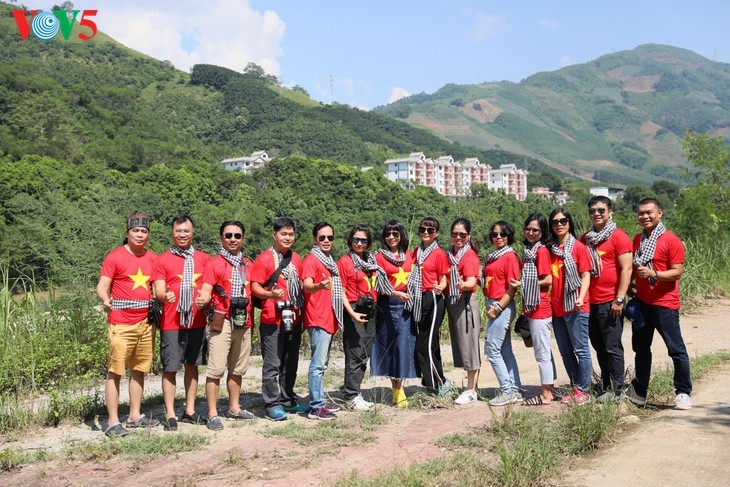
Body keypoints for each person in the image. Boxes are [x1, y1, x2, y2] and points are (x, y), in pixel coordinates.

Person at [96, 213, 160, 437]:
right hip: (121, 322)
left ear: (148, 234)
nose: (140, 235)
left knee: (139, 370)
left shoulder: (153, 258)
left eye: (143, 231)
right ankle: (113, 422)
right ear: (127, 233)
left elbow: (159, 287)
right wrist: (105, 300)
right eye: (136, 231)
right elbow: (102, 285)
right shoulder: (115, 257)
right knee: (115, 371)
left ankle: (134, 415)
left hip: (146, 322)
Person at [626, 198, 692, 410]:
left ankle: (683, 392)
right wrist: (631, 285)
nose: (645, 216)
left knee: (676, 350)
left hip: (665, 304)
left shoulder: (671, 240)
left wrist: (655, 273)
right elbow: (637, 266)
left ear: (660, 213)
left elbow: (677, 272)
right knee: (641, 350)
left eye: (649, 212)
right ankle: (640, 392)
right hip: (643, 303)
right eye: (641, 213)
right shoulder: (638, 240)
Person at [152, 214, 212, 430]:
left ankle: (190, 410)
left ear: (192, 232)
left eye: (186, 231)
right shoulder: (162, 259)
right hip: (171, 323)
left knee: (192, 366)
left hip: (196, 321)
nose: (182, 235)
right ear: (172, 232)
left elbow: (208, 287)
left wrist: (205, 299)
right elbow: (159, 288)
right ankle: (170, 413)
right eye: (178, 231)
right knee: (170, 367)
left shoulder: (205, 259)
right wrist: (163, 296)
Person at [196, 221, 256, 431]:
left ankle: (234, 407)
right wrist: (202, 299)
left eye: (237, 235)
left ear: (243, 238)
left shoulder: (248, 264)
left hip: (244, 321)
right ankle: (212, 413)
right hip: (222, 320)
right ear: (222, 238)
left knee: (238, 368)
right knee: (216, 368)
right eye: (228, 235)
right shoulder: (214, 263)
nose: (233, 239)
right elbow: (206, 288)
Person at [338, 224, 402, 410]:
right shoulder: (345, 262)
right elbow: (340, 291)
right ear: (350, 241)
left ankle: (356, 393)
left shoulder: (371, 261)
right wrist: (352, 313)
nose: (359, 243)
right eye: (356, 239)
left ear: (369, 243)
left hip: (371, 309)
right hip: (354, 308)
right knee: (354, 353)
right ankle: (350, 396)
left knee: (364, 353)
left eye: (364, 240)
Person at [250, 217, 305, 421]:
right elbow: (255, 287)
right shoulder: (264, 258)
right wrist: (270, 295)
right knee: (272, 363)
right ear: (274, 235)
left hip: (294, 317)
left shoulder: (297, 258)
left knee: (290, 362)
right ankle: (272, 403)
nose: (287, 237)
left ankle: (287, 398)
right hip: (272, 318)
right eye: (283, 234)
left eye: (291, 234)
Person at [580, 196, 633, 402]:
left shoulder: (619, 237)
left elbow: (627, 269)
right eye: (593, 210)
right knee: (598, 346)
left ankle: (617, 390)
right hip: (589, 302)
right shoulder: (586, 238)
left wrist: (619, 299)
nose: (597, 213)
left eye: (601, 210)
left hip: (610, 301)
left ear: (610, 212)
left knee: (612, 346)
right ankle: (605, 386)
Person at [511, 214, 558, 405]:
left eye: (535, 230)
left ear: (542, 232)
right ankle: (550, 389)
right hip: (532, 306)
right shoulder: (529, 251)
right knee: (543, 350)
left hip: (540, 307)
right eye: (528, 229)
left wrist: (525, 283)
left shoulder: (541, 252)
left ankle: (546, 394)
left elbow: (548, 280)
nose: (531, 233)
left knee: (542, 353)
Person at [549, 208, 593, 404]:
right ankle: (576, 387)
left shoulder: (579, 247)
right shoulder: (551, 250)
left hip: (576, 306)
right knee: (565, 351)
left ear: (569, 223)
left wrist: (581, 297)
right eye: (555, 221)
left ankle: (584, 390)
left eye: (563, 220)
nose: (559, 224)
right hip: (557, 308)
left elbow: (585, 275)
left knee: (581, 349)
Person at [301, 222, 344, 420]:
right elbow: (306, 286)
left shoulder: (328, 261)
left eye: (330, 237)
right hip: (318, 318)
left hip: (328, 317)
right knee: (317, 365)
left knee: (323, 364)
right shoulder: (312, 260)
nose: (326, 241)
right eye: (322, 237)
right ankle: (316, 407)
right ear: (314, 239)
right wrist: (319, 285)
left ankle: (320, 401)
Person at [372, 221, 416, 408]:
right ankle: (395, 389)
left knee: (403, 347)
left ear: (401, 236)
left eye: (395, 234)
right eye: (388, 234)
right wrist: (395, 293)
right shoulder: (378, 257)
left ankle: (402, 386)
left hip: (407, 308)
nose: (391, 237)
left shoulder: (410, 255)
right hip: (387, 306)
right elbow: (377, 281)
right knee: (390, 347)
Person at [406, 217, 451, 395]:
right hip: (418, 299)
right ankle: (434, 382)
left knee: (424, 345)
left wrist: (442, 285)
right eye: (423, 229)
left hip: (432, 299)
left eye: (430, 230)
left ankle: (439, 384)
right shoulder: (416, 251)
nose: (425, 232)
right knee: (430, 345)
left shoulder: (439, 253)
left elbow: (444, 277)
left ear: (436, 234)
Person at [483, 221, 522, 406]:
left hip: (501, 306)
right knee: (505, 350)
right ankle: (515, 389)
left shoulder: (510, 256)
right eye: (495, 233)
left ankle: (506, 391)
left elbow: (512, 288)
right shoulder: (493, 257)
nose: (499, 237)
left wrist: (497, 308)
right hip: (494, 303)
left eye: (503, 234)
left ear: (509, 236)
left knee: (492, 349)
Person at [445, 218, 482, 405]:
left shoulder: (469, 256)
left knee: (469, 347)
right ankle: (471, 386)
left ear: (469, 236)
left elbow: (471, 281)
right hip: (454, 302)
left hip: (465, 302)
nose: (458, 237)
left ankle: (471, 390)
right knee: (463, 346)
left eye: (462, 234)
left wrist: (462, 285)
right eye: (454, 234)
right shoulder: (451, 254)